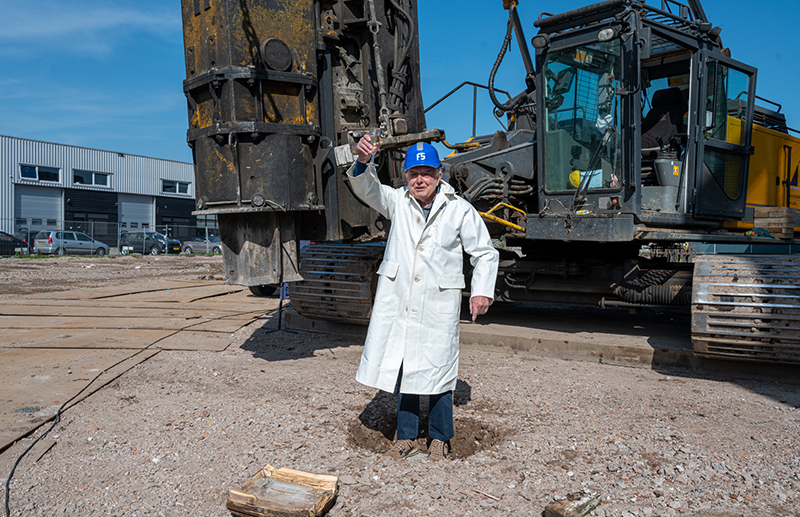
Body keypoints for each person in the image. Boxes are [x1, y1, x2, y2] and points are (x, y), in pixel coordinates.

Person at [346, 135, 499, 461]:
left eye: (427, 172)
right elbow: (366, 188)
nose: (420, 179)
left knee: (440, 372)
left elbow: (484, 253)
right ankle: (406, 436)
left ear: (439, 174)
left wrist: (482, 289)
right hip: (401, 299)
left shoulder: (459, 210)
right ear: (405, 176)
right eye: (414, 173)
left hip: (438, 303)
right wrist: (362, 162)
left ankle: (441, 438)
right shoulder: (396, 201)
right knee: (406, 369)